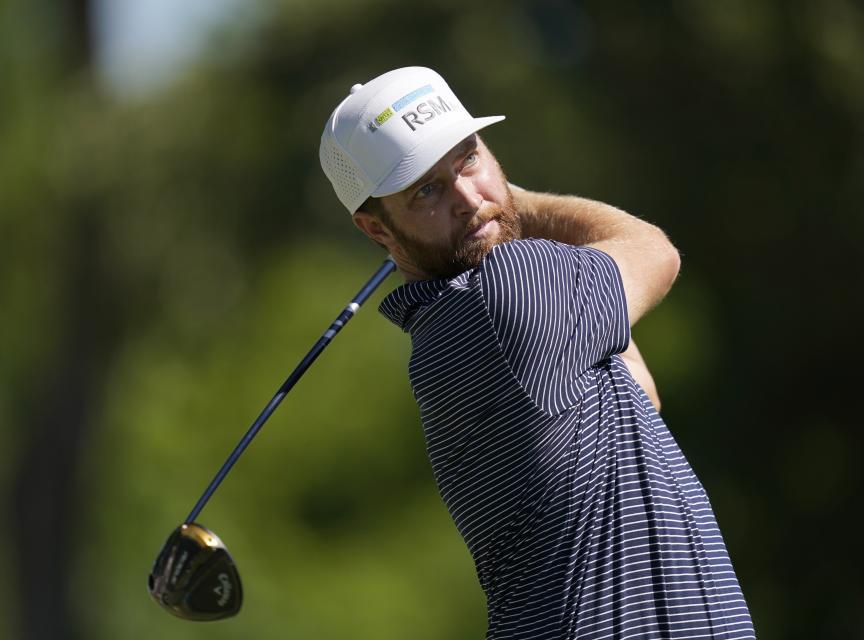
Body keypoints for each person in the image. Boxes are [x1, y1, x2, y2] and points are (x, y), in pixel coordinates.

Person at [320, 67, 755, 639]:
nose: (469, 200)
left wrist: (498, 218)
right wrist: (517, 203)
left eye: (468, 159)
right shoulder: (510, 290)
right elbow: (654, 251)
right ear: (376, 230)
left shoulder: (443, 332)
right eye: (426, 189)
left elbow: (640, 396)